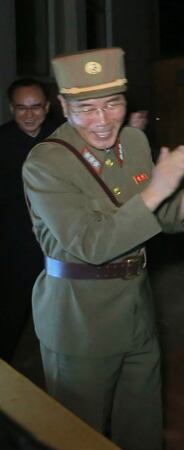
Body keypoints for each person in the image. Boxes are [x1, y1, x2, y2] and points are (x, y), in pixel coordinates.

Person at [22, 47, 184, 450]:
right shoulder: (46, 163)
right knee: (77, 435)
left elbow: (164, 219)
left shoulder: (134, 141)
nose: (103, 121)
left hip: (136, 308)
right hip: (79, 320)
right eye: (86, 108)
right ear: (64, 106)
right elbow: (91, 243)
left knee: (141, 429)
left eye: (113, 104)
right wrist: (158, 189)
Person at [0, 78, 59, 363]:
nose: (29, 114)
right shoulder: (2, 141)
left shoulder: (63, 136)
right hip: (14, 249)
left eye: (36, 106)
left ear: (47, 108)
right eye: (22, 108)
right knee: (10, 317)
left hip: (60, 245)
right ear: (11, 109)